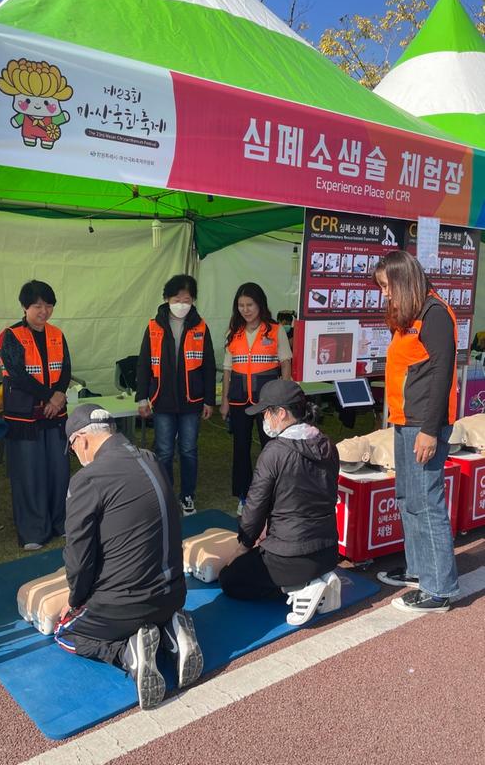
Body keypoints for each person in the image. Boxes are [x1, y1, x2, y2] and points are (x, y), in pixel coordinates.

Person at [54, 404, 203, 710]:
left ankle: (127, 652)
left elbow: (79, 557)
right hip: (174, 593)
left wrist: (75, 600)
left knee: (64, 633)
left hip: (125, 606)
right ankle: (170, 631)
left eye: (72, 448)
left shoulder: (89, 479)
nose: (76, 457)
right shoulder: (150, 458)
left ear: (81, 439)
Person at [374, 251, 459, 613]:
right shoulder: (411, 315)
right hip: (405, 418)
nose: (384, 294)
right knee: (409, 498)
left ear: (403, 280)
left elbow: (442, 374)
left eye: (386, 286)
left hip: (425, 423)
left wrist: (429, 429)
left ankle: (439, 589)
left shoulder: (435, 314)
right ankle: (418, 569)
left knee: (426, 502)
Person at [219, 380, 341, 625]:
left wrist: (243, 546)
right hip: (329, 550)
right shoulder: (327, 444)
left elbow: (254, 507)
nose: (264, 418)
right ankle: (318, 578)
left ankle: (300, 587)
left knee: (230, 579)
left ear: (281, 413)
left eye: (266, 412)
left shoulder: (275, 452)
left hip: (291, 555)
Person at [0, 280, 71, 550]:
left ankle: (61, 523)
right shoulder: (11, 336)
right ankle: (33, 531)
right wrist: (48, 395)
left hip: (54, 414)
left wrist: (59, 395)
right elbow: (17, 374)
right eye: (38, 305)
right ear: (25, 307)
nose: (44, 311)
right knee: (29, 473)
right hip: (24, 418)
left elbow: (65, 369)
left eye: (49, 305)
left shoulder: (57, 334)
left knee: (59, 470)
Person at [136, 274, 216, 516]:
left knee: (189, 449)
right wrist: (142, 398)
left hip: (192, 400)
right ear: (167, 299)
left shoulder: (201, 326)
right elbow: (143, 364)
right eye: (177, 298)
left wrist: (210, 400)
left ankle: (188, 496)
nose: (182, 303)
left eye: (187, 299)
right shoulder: (154, 326)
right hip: (162, 399)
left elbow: (209, 366)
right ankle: (167, 495)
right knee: (164, 451)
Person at [220, 283, 292, 515]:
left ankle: (272, 494)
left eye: (250, 304)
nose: (245, 310)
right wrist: (224, 401)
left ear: (260, 304)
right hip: (240, 400)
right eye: (241, 305)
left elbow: (285, 363)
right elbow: (228, 370)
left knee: (270, 448)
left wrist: (284, 397)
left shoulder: (275, 329)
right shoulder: (234, 332)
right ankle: (244, 495)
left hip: (268, 402)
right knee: (240, 448)